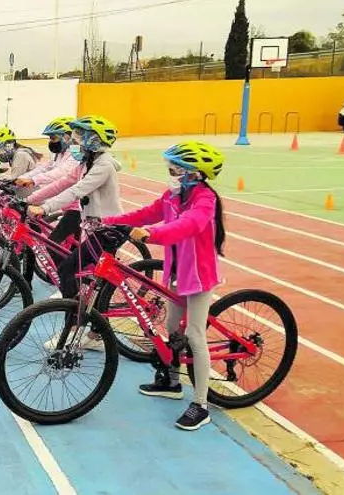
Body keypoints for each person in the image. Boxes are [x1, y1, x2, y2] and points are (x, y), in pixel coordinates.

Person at [102, 141, 227, 431]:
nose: (170, 173)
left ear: (194, 173)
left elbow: (187, 225)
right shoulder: (172, 196)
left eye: (175, 169)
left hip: (198, 276)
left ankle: (201, 405)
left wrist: (151, 234)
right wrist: (108, 221)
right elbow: (147, 213)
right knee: (172, 328)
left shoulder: (205, 200)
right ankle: (171, 383)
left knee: (195, 335)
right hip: (176, 272)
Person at [29, 116, 124, 351]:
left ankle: (74, 328)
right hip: (92, 228)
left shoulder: (103, 165)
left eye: (82, 136)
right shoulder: (88, 162)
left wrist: (45, 208)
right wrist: (30, 199)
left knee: (68, 270)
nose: (77, 141)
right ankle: (95, 333)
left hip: (106, 230)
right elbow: (64, 182)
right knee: (95, 282)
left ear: (95, 139)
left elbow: (77, 190)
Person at [16, 117, 82, 244]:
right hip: (63, 201)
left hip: (75, 206)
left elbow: (62, 174)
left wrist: (34, 181)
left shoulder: (75, 154)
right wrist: (25, 178)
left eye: (53, 138)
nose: (51, 142)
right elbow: (45, 167)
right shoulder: (59, 153)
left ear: (67, 137)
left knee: (54, 244)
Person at [0, 127, 43, 198]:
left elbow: (14, 178)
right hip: (27, 193)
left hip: (30, 196)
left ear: (9, 146)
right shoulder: (18, 154)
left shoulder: (21, 155)